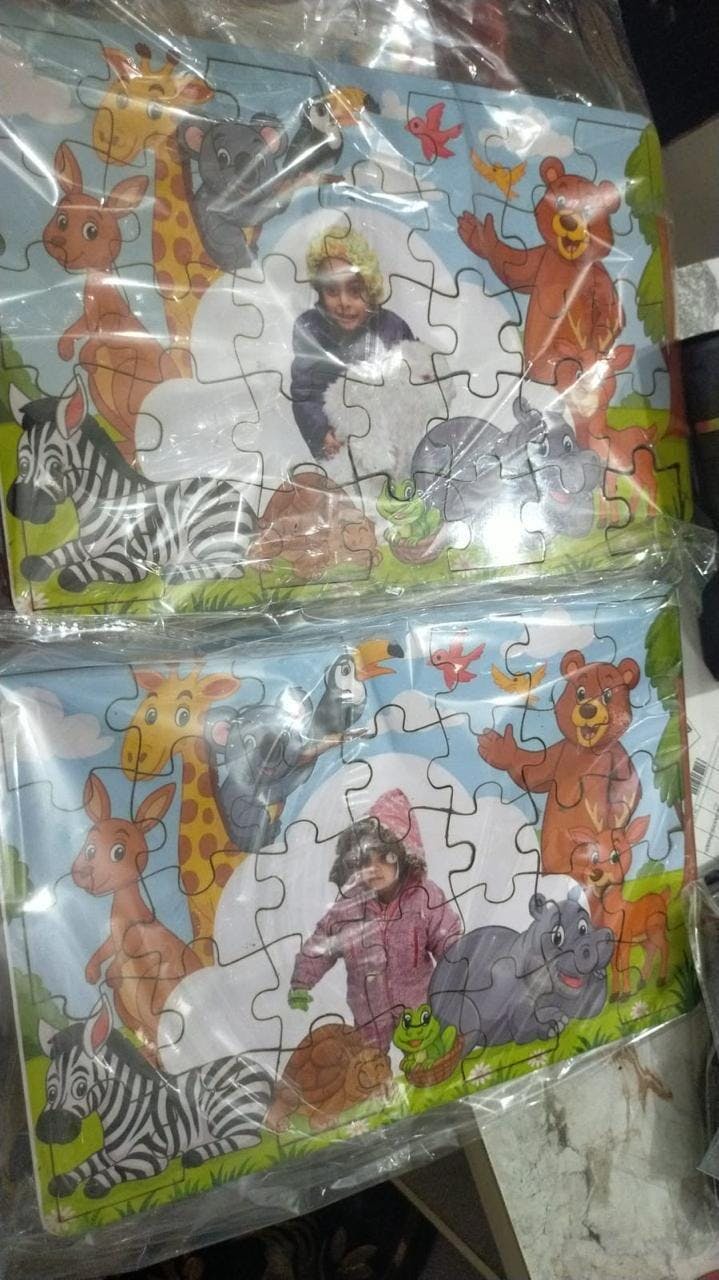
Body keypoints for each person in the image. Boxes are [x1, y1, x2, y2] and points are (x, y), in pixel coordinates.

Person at [288, 789, 461, 1050]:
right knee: (369, 1064)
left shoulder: (424, 896)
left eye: (385, 857)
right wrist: (302, 981)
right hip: (367, 1009)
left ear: (403, 856)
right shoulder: (348, 907)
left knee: (425, 1055)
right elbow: (321, 944)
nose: (374, 867)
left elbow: (448, 938)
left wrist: (460, 970)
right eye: (365, 859)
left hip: (417, 1008)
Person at [290, 225, 413, 459]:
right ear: (320, 291)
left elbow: (414, 386)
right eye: (332, 291)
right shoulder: (310, 329)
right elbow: (305, 393)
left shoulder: (392, 328)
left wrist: (399, 434)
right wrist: (321, 433)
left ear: (371, 289)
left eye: (355, 291)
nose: (344, 302)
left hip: (386, 441)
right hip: (337, 444)